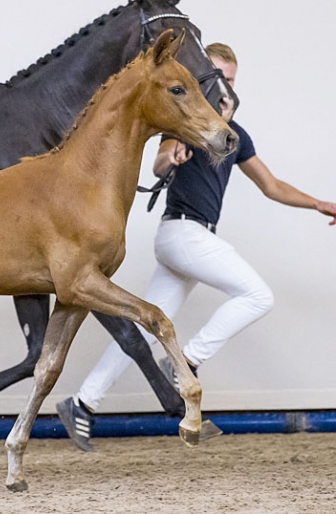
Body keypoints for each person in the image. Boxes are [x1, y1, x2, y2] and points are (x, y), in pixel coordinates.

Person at [56, 43, 336, 452]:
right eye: (218, 77)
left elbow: (271, 186)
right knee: (258, 295)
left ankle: (82, 403)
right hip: (183, 235)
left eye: (232, 81)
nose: (225, 87)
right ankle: (185, 361)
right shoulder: (181, 125)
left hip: (191, 240)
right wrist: (173, 156)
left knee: (146, 329)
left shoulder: (234, 136)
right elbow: (160, 161)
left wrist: (319, 203)